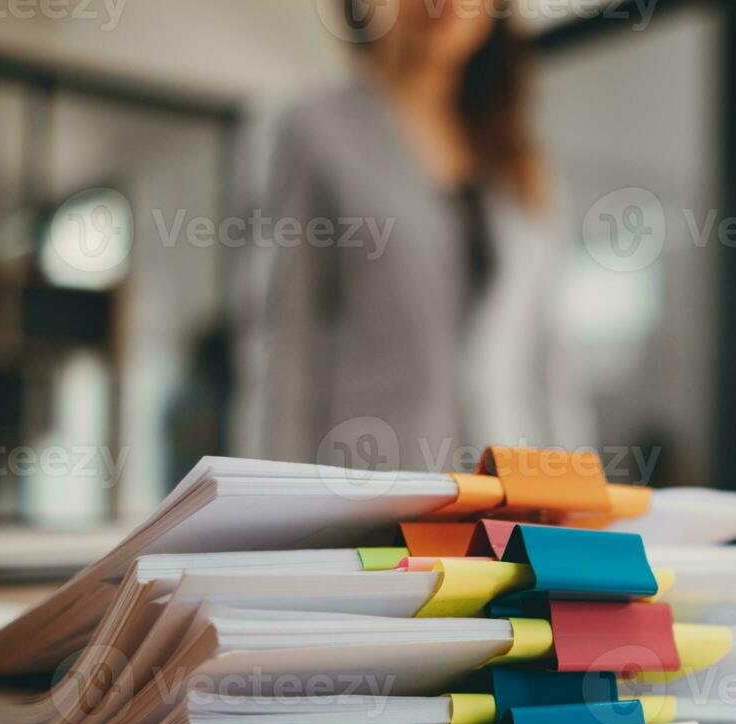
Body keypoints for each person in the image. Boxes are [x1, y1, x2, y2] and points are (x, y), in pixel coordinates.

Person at [234, 0, 592, 470]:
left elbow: (550, 361)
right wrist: (273, 507)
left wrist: (579, 506)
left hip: (512, 491)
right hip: (370, 486)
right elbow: (287, 345)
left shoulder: (522, 159)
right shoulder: (310, 131)